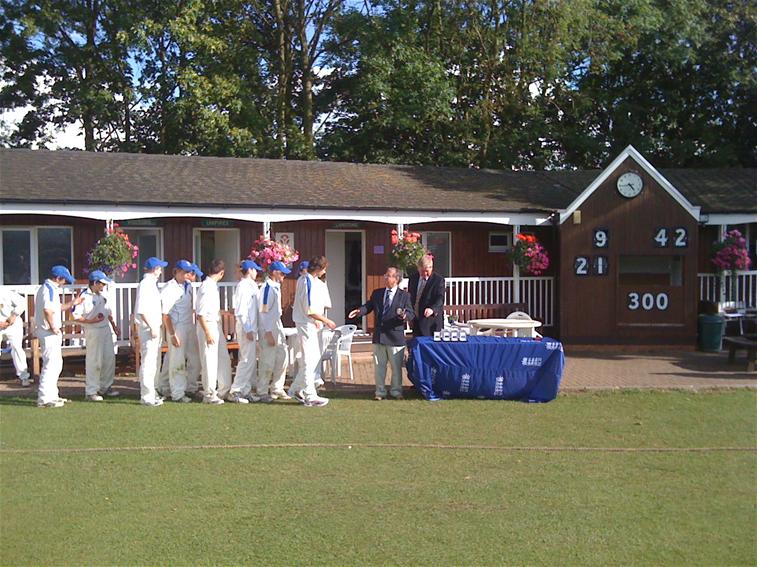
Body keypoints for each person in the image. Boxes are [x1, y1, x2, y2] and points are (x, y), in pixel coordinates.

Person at [349, 266, 414, 400]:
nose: (385, 277)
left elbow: (411, 313)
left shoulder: (404, 295)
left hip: (395, 337)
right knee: (380, 367)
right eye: (385, 275)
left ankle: (396, 391)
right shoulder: (377, 293)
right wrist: (359, 311)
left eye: (388, 275)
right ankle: (380, 392)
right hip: (379, 337)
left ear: (396, 279)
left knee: (396, 368)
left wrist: (404, 316)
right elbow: (369, 306)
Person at [289, 256, 335, 407]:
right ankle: (310, 395)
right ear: (318, 268)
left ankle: (296, 388)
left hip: (309, 323)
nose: (325, 271)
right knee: (309, 358)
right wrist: (326, 320)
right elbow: (309, 309)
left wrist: (317, 319)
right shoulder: (306, 280)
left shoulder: (311, 281)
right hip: (305, 324)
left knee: (314, 358)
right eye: (324, 268)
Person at [34, 265, 83, 408]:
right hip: (49, 332)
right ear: (58, 278)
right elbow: (48, 310)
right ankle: (44, 398)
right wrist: (53, 326)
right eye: (64, 280)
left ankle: (52, 395)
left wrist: (73, 303)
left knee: (56, 364)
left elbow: (57, 308)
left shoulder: (51, 290)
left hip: (51, 332)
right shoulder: (48, 289)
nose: (65, 283)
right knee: (50, 364)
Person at [72, 270, 120, 401]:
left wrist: (114, 326)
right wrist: (91, 321)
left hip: (105, 329)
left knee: (109, 359)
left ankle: (106, 387)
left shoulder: (102, 295)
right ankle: (91, 391)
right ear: (94, 282)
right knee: (94, 361)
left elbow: (107, 312)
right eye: (101, 284)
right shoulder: (84, 296)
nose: (103, 286)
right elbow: (76, 316)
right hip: (93, 331)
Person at [159, 260, 200, 403]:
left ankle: (188, 387)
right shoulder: (169, 289)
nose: (186, 274)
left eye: (188, 272)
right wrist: (172, 334)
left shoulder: (188, 286)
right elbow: (165, 314)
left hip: (189, 324)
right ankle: (177, 393)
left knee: (193, 359)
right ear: (176, 271)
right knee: (177, 360)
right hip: (177, 327)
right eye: (183, 272)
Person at [196, 259, 233, 404]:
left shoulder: (212, 286)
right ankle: (209, 394)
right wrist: (207, 332)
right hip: (207, 325)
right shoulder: (207, 287)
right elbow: (200, 314)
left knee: (223, 358)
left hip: (215, 324)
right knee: (209, 360)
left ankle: (224, 390)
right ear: (222, 273)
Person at [134, 256, 168, 407]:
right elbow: (141, 310)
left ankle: (151, 393)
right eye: (159, 268)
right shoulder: (146, 284)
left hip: (154, 328)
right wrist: (152, 326)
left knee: (153, 362)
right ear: (154, 269)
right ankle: (146, 396)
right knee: (148, 362)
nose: (160, 271)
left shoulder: (151, 284)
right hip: (149, 329)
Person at [228, 259, 262, 404]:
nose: (257, 272)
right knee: (246, 360)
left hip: (252, 328)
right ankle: (235, 390)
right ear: (249, 271)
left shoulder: (252, 286)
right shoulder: (243, 286)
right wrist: (248, 329)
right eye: (255, 270)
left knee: (250, 361)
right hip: (246, 328)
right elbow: (241, 311)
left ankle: (245, 390)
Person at [257, 261, 292, 401]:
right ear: (275, 273)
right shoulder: (267, 288)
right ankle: (262, 390)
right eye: (282, 273)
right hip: (269, 330)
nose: (284, 276)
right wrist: (268, 333)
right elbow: (263, 312)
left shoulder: (276, 287)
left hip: (277, 327)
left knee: (282, 357)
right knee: (267, 361)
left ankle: (277, 388)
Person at [408, 254, 446, 337]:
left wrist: (432, 309)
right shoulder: (413, 278)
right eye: (422, 271)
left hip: (431, 324)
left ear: (431, 268)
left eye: (427, 271)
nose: (425, 274)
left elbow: (440, 298)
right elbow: (410, 297)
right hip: (416, 321)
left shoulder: (438, 280)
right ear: (418, 268)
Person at [0, 287, 31, 386]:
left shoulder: (5, 292)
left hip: (13, 324)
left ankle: (24, 377)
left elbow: (22, 302)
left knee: (17, 348)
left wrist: (13, 316)